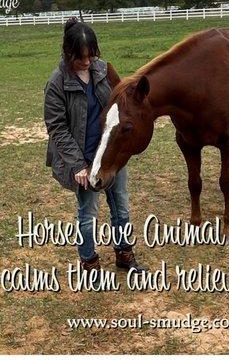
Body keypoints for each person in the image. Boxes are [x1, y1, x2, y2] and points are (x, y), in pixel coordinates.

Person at [43, 18, 147, 274]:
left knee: (121, 207)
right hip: (85, 160)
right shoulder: (57, 83)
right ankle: (89, 262)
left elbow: (123, 104)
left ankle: (124, 255)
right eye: (81, 58)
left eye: (92, 55)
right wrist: (77, 164)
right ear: (68, 53)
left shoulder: (103, 71)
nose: (88, 62)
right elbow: (57, 127)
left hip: (109, 154)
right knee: (88, 213)